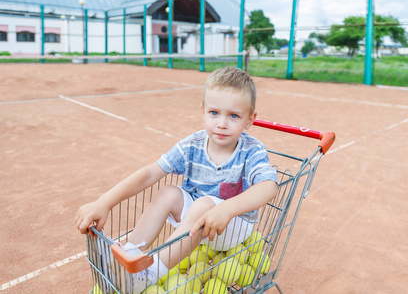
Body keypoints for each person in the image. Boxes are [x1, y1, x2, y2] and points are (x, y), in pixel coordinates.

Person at [75, 67, 279, 293]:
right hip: (196, 221)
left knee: (203, 205)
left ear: (250, 120)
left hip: (232, 225)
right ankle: (130, 258)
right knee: (168, 192)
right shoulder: (192, 145)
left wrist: (228, 209)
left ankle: (150, 274)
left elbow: (269, 187)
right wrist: (104, 202)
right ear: (203, 111)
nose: (222, 123)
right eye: (214, 113)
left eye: (234, 116)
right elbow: (151, 173)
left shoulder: (252, 151)